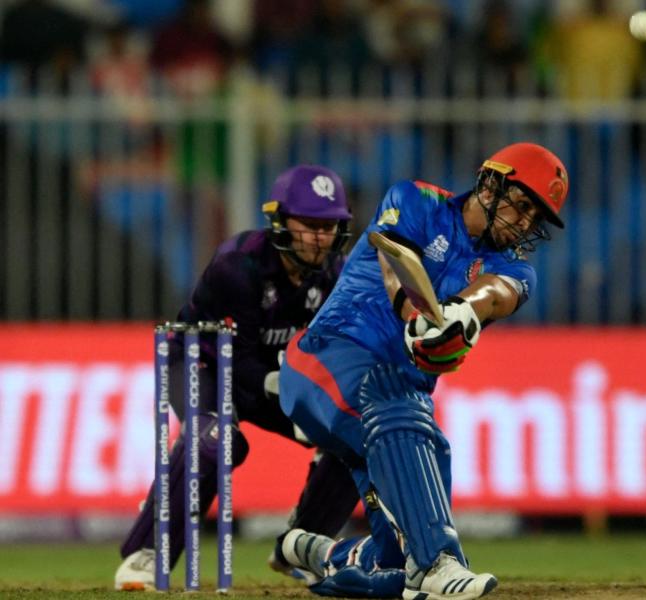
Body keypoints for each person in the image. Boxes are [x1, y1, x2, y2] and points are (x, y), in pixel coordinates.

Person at [272, 142, 569, 599]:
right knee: (400, 406)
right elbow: (395, 262)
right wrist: (413, 313)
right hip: (324, 355)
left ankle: (318, 553)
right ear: (491, 182)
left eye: (537, 217)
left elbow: (495, 293)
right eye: (524, 203)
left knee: (396, 552)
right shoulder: (416, 200)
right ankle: (438, 563)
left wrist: (463, 312)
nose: (527, 222)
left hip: (393, 407)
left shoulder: (516, 270)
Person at [114, 165, 361, 590]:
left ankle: (302, 546)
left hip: (267, 377)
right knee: (215, 440)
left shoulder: (336, 276)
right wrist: (293, 389)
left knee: (355, 437)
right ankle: (147, 553)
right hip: (201, 364)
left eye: (329, 226)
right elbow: (242, 362)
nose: (320, 237)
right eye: (309, 225)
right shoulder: (238, 265)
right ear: (280, 221)